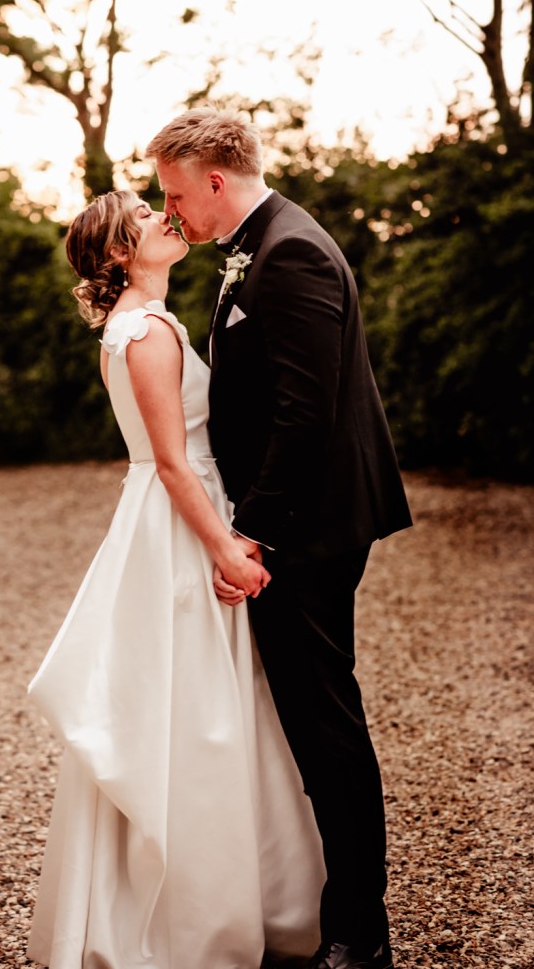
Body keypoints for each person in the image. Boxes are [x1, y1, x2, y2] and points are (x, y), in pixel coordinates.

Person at [26, 189, 327, 969]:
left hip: (166, 515)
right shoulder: (148, 331)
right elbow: (168, 461)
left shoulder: (136, 323)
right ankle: (198, 917)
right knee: (195, 705)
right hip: (180, 520)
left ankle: (206, 897)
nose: (166, 218)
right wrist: (226, 546)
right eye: (145, 217)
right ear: (120, 253)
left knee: (187, 699)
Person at [145, 110, 413, 969]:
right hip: (301, 517)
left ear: (215, 181)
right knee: (308, 715)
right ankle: (326, 908)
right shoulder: (252, 246)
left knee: (324, 719)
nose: (170, 207)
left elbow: (306, 413)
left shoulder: (288, 251)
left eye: (176, 192)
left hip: (310, 525)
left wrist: (250, 532)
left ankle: (359, 933)